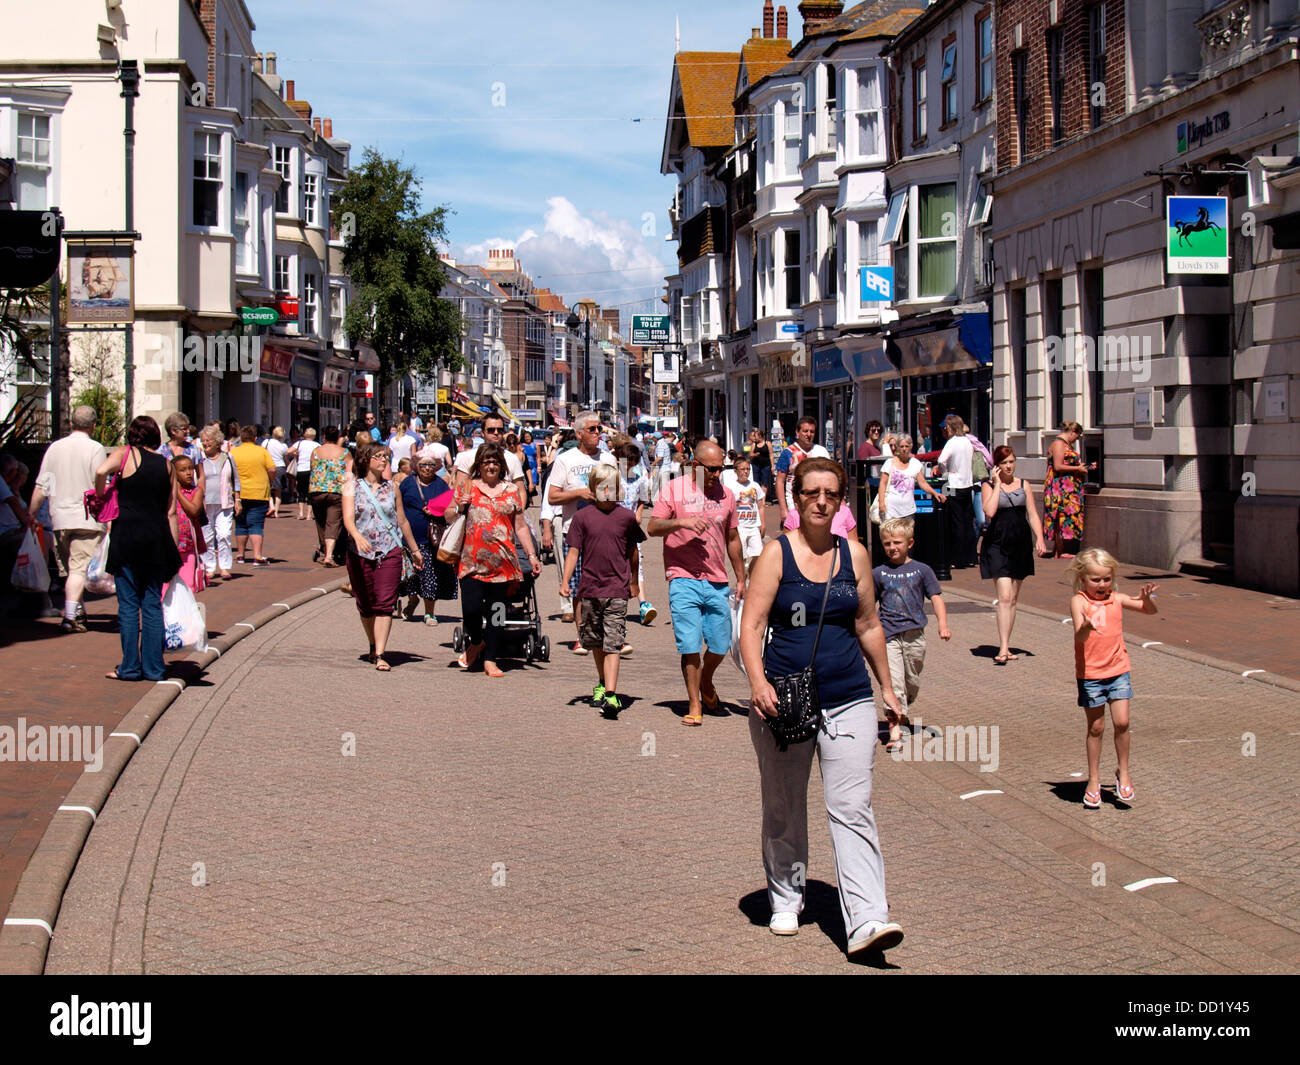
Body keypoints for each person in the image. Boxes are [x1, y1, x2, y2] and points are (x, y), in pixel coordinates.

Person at [739, 457, 905, 955]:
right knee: (785, 804)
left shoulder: (854, 554)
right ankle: (787, 897)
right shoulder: (775, 554)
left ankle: (868, 919)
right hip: (783, 702)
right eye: (811, 492)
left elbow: (869, 624)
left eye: (830, 494)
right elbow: (751, 625)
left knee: (852, 807)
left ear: (841, 500)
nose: (821, 501)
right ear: (796, 498)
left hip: (847, 696)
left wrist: (888, 688)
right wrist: (758, 682)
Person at [648, 439, 746, 726]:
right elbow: (653, 527)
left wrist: (741, 577)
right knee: (689, 645)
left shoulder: (727, 495)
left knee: (720, 643)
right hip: (682, 576)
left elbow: (732, 538)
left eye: (720, 469)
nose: (716, 474)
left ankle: (706, 681)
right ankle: (694, 703)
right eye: (711, 469)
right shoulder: (674, 489)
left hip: (717, 579)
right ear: (694, 465)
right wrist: (681, 523)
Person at [1068, 548, 1158, 809]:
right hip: (1091, 676)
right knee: (1096, 728)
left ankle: (1124, 772)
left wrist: (1148, 598)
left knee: (1122, 722)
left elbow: (1148, 610)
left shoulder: (1116, 599)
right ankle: (1094, 780)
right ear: (1083, 578)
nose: (1102, 585)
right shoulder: (1079, 602)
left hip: (1118, 670)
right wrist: (1084, 626)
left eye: (1106, 579)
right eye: (1095, 579)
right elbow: (1080, 635)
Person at [96, 416, 183, 682]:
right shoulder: (167, 465)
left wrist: (101, 494)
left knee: (128, 605)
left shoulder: (125, 454)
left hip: (127, 536)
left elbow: (100, 471)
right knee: (152, 604)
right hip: (156, 538)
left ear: (133, 434)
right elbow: (171, 512)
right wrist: (175, 549)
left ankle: (130, 667)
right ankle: (155, 668)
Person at [448, 443, 541, 678]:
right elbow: (448, 514)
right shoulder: (467, 486)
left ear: (502, 466)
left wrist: (531, 555)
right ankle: (477, 642)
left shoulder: (511, 490)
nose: (491, 466)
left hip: (503, 565)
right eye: (487, 462)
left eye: (496, 462)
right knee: (470, 611)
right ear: (479, 465)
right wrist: (460, 505)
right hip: (471, 562)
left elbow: (519, 525)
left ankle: (490, 659)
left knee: (496, 614)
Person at [561, 463, 645, 717]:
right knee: (596, 641)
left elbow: (633, 553)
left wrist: (633, 583)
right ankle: (601, 681)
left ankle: (611, 694)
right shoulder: (582, 517)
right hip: (590, 588)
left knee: (613, 642)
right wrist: (566, 582)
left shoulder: (627, 517)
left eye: (612, 486)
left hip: (616, 589)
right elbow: (574, 551)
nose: (607, 491)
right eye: (602, 486)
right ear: (593, 489)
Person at [342, 443, 424, 671]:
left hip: (389, 551)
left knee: (385, 603)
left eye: (385, 457)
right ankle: (371, 643)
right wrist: (357, 536)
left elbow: (402, 521)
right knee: (365, 603)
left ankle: (380, 653)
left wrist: (415, 550)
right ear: (365, 460)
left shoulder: (393, 488)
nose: (383, 461)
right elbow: (348, 517)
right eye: (378, 457)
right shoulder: (351, 486)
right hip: (360, 552)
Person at [873, 517, 951, 751]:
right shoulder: (879, 573)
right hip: (888, 636)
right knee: (894, 683)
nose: (892, 548)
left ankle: (902, 709)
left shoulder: (922, 570)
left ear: (910, 543)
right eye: (887, 544)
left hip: (915, 635)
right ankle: (894, 731)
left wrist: (943, 625)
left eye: (897, 542)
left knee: (911, 682)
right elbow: (869, 606)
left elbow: (936, 598)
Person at [28, 405, 108, 633]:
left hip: (60, 517)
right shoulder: (95, 448)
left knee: (71, 570)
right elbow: (99, 482)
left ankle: (78, 613)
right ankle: (71, 616)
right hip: (86, 518)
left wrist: (31, 514)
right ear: (93, 426)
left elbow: (42, 485)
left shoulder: (55, 448)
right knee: (78, 570)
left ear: (72, 423)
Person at [548, 411, 618, 650]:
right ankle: (582, 634)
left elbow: (618, 494)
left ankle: (607, 632)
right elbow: (552, 496)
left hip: (605, 532)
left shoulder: (608, 459)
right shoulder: (565, 460)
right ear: (579, 434)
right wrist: (578, 493)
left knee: (605, 584)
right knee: (579, 586)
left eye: (599, 429)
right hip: (574, 531)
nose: (598, 433)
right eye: (592, 429)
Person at [980, 445, 1048, 665]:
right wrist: (998, 484)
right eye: (1004, 463)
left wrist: (1040, 538)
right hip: (997, 544)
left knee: (1014, 599)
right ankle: (1002, 648)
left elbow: (1033, 514)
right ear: (996, 467)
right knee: (1005, 598)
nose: (1009, 466)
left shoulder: (1024, 484)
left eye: (1011, 461)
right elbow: (989, 512)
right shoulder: (988, 486)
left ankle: (1007, 645)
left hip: (1020, 543)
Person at [398, 454, 457, 625]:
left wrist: (436, 511)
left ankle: (429, 613)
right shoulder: (407, 483)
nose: (427, 468)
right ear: (417, 466)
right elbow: (397, 504)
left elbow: (450, 508)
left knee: (429, 575)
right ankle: (412, 599)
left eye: (431, 465)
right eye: (423, 464)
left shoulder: (441, 484)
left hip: (430, 539)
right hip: (409, 539)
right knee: (410, 576)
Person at [614, 440, 657, 626]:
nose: (629, 467)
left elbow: (642, 500)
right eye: (627, 464)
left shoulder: (639, 478)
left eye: (633, 464)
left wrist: (639, 512)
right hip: (614, 528)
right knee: (615, 564)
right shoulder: (614, 477)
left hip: (631, 527)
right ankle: (615, 602)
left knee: (635, 563)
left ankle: (643, 604)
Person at [1043, 421, 1094, 558]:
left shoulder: (1065, 444)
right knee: (1060, 515)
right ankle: (1061, 551)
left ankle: (1058, 551)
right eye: (1077, 436)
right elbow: (1058, 466)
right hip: (1061, 487)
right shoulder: (1059, 444)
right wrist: (1078, 468)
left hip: (1067, 487)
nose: (1077, 439)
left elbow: (1068, 463)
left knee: (1062, 515)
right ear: (1072, 432)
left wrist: (1085, 466)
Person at [453, 414, 527, 508]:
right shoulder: (468, 457)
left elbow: (521, 491)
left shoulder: (512, 459)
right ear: (483, 432)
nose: (496, 433)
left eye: (499, 430)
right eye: (491, 430)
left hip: (504, 517)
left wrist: (519, 516)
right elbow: (458, 489)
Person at [229, 426, 276, 565]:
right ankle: (257, 556)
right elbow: (272, 469)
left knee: (241, 524)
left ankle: (240, 555)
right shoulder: (262, 451)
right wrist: (269, 480)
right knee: (256, 525)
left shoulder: (234, 452)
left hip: (238, 493)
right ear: (255, 438)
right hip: (259, 492)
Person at [934, 414, 976, 568]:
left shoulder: (952, 443)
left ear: (951, 427)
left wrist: (945, 473)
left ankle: (957, 559)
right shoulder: (967, 441)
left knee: (956, 521)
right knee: (967, 521)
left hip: (953, 484)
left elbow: (941, 460)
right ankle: (970, 557)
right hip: (967, 484)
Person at [197, 426, 238, 580]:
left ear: (217, 441)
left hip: (224, 502)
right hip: (205, 503)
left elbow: (236, 479)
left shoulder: (227, 458)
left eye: (208, 440)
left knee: (224, 534)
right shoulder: (200, 458)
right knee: (207, 537)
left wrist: (238, 499)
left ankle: (225, 567)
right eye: (203, 440)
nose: (205, 443)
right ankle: (209, 567)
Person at [774, 417, 830, 527]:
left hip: (818, 501)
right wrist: (783, 508)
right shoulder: (788, 453)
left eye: (812, 431)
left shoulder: (821, 451)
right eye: (805, 431)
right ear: (797, 432)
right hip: (794, 502)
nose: (808, 434)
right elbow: (780, 481)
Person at [308, 426, 351, 568]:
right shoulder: (344, 452)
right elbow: (350, 472)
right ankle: (329, 555)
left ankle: (325, 549)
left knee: (320, 522)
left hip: (317, 490)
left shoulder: (316, 451)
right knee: (333, 523)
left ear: (324, 436)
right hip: (336, 491)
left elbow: (312, 467)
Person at [876, 434, 945, 521]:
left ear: (911, 447)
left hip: (908, 510)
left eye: (906, 446)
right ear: (897, 447)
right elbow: (883, 483)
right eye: (901, 446)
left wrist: (935, 493)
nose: (904, 449)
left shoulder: (915, 463)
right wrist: (881, 503)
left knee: (908, 534)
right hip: (891, 510)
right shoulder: (889, 463)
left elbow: (922, 483)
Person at [722, 456, 766, 577]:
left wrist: (763, 523)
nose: (745, 472)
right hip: (739, 527)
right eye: (742, 469)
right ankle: (742, 581)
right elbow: (727, 508)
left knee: (759, 555)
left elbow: (761, 505)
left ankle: (750, 576)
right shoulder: (730, 487)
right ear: (735, 471)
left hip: (753, 526)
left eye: (748, 469)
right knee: (741, 557)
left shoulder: (755, 486)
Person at [171, 454, 207, 594]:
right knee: (169, 585)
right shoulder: (166, 492)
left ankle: (187, 614)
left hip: (188, 544)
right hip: (171, 543)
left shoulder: (196, 491)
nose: (188, 473)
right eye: (183, 470)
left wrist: (178, 492)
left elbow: (193, 510)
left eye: (191, 468)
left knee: (188, 585)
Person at [288, 428, 319, 520]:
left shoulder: (299, 443)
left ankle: (301, 513)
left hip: (300, 470)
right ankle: (309, 515)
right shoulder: (317, 445)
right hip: (312, 470)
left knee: (300, 491)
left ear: (305, 435)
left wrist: (295, 454)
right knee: (311, 493)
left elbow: (288, 451)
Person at [264, 427, 289, 517]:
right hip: (281, 468)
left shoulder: (266, 442)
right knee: (278, 491)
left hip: (269, 467)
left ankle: (271, 506)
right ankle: (276, 512)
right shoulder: (284, 446)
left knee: (268, 489)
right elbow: (286, 459)